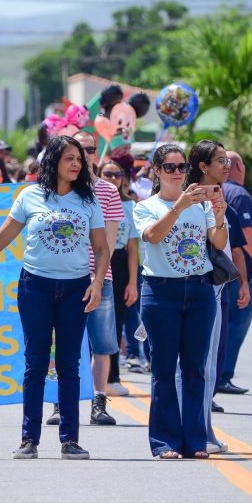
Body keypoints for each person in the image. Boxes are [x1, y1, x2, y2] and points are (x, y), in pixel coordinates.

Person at [0, 136, 108, 460]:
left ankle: (70, 440)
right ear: (52, 163)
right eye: (70, 159)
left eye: (80, 159)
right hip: (35, 287)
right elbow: (0, 238)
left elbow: (102, 248)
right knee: (35, 363)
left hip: (75, 289)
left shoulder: (88, 200)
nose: (77, 164)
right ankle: (29, 439)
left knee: (69, 364)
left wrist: (98, 283)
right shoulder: (29, 196)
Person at [134, 145, 227, 459]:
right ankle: (165, 442)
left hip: (199, 291)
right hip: (161, 292)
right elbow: (153, 236)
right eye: (169, 167)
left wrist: (219, 215)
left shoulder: (198, 207)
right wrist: (179, 206)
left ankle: (195, 441)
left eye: (181, 166)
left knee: (194, 369)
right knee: (162, 369)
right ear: (157, 172)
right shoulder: (145, 206)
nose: (177, 172)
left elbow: (218, 241)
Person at [183, 141, 249, 453]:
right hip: (190, 288)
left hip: (216, 286)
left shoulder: (224, 200)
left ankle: (204, 427)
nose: (227, 166)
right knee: (194, 365)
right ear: (202, 167)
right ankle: (193, 429)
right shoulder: (188, 202)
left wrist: (243, 282)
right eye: (220, 161)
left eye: (227, 160)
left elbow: (231, 247)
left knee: (209, 364)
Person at [67, 130, 124, 429]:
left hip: (100, 277)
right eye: (77, 151)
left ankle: (98, 401)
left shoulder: (108, 191)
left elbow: (110, 242)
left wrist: (97, 277)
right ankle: (59, 402)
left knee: (101, 344)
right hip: (64, 278)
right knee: (62, 344)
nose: (84, 156)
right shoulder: (59, 190)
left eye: (89, 150)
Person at [218, 151, 252, 395]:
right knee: (236, 324)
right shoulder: (238, 193)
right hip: (237, 273)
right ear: (238, 166)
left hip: (221, 271)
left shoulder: (217, 190)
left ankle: (219, 376)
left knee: (222, 325)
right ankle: (223, 375)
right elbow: (246, 234)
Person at [99, 160, 140, 394]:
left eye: (118, 174)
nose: (114, 178)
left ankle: (113, 375)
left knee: (115, 321)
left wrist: (133, 282)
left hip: (121, 263)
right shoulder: (91, 199)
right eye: (108, 174)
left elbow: (133, 247)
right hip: (94, 259)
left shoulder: (130, 206)